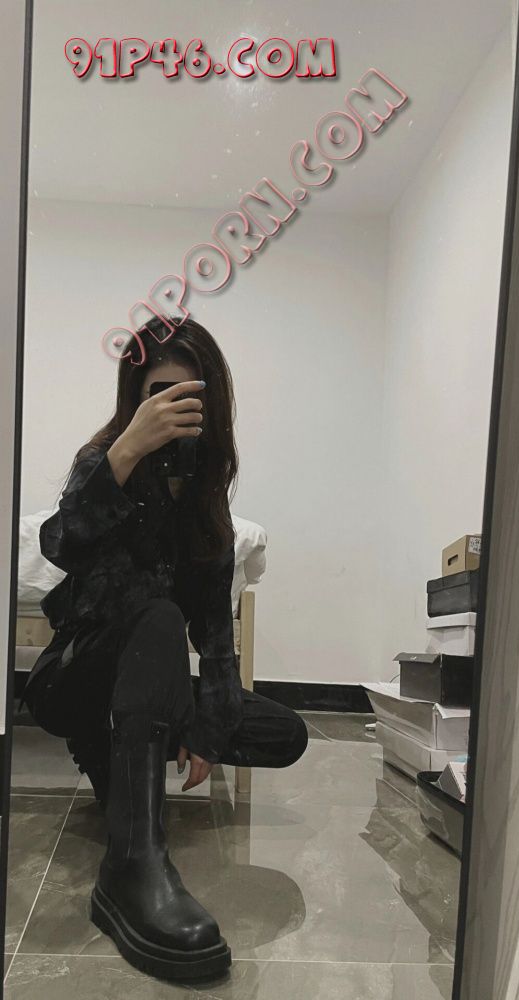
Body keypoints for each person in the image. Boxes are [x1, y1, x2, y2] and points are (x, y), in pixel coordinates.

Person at [20, 315, 309, 982]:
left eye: (188, 396)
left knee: (283, 733)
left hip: (151, 681)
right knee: (156, 614)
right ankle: (131, 865)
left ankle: (129, 752)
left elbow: (215, 635)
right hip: (76, 677)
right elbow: (61, 543)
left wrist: (207, 727)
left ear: (212, 405)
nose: (172, 409)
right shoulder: (103, 462)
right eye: (159, 394)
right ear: (136, 398)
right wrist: (125, 454)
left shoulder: (206, 502)